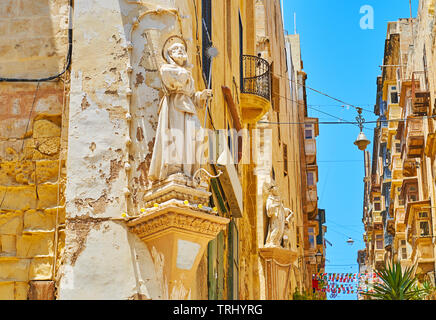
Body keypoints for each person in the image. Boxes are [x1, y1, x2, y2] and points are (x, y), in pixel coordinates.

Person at [148, 38, 212, 182]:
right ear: (170, 54)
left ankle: (189, 170)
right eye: (176, 49)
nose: (181, 51)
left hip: (187, 105)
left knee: (196, 134)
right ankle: (174, 169)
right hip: (175, 104)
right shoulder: (167, 69)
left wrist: (201, 95)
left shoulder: (186, 72)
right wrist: (184, 71)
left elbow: (191, 95)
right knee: (177, 135)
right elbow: (175, 84)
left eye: (182, 49)